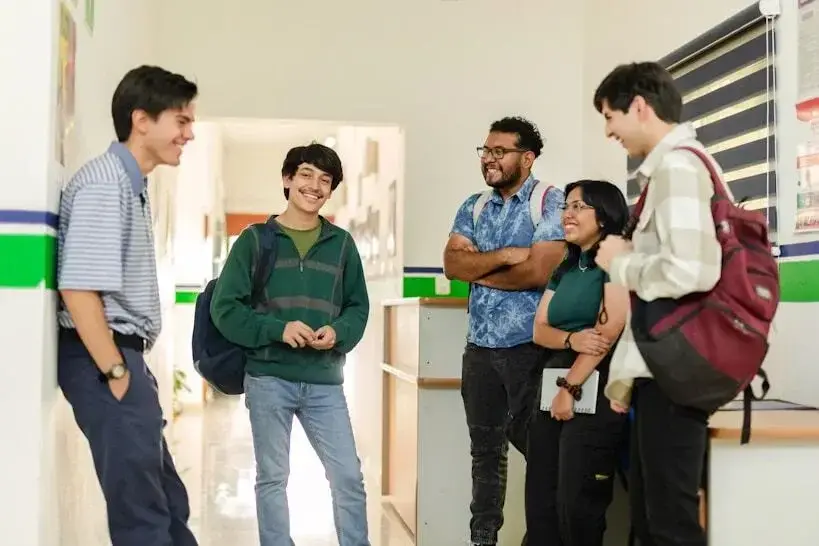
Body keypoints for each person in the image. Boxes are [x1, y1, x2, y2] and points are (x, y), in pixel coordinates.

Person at [56, 65, 198, 546]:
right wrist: (116, 371)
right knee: (143, 517)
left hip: (121, 357)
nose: (189, 134)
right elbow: (78, 290)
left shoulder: (130, 182)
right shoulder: (105, 183)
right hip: (102, 359)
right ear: (141, 120)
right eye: (181, 121)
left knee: (168, 502)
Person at [209, 143, 370, 546]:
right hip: (268, 378)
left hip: (324, 381)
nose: (315, 186)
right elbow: (225, 309)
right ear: (287, 179)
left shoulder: (342, 244)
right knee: (272, 478)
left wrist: (338, 332)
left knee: (348, 476)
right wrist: (277, 330)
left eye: (325, 180)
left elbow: (358, 307)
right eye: (306, 175)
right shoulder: (254, 240)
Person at [593, 62, 724, 546]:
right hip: (662, 370)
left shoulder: (678, 169)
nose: (608, 131)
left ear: (639, 107)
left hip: (676, 371)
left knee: (669, 526)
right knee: (651, 522)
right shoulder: (669, 170)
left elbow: (691, 272)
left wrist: (620, 262)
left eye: (610, 117)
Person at [443, 116, 567, 546]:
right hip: (479, 350)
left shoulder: (550, 201)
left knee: (538, 449)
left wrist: (480, 267)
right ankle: (483, 539)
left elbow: (538, 272)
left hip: (529, 349)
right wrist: (506, 255)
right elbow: (452, 265)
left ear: (527, 158)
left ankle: (544, 539)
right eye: (486, 151)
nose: (489, 159)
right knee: (485, 453)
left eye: (500, 151)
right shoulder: (474, 205)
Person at [525, 179, 630, 546]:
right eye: (565, 207)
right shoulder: (567, 267)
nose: (567, 214)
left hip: (595, 384)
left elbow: (609, 329)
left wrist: (570, 387)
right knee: (542, 499)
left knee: (577, 502)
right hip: (552, 381)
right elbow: (539, 329)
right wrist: (570, 339)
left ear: (604, 216)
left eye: (578, 207)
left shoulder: (617, 259)